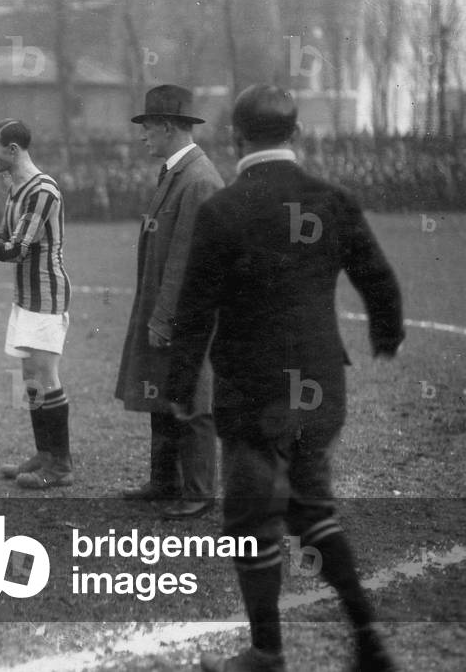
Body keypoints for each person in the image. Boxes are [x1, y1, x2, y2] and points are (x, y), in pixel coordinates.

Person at [165, 85, 403, 672]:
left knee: (252, 523)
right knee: (312, 509)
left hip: (253, 389)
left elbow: (193, 310)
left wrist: (179, 386)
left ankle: (268, 652)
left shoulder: (222, 209)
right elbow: (379, 280)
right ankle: (369, 640)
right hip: (319, 383)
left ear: (236, 138)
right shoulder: (333, 199)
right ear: (296, 134)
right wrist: (386, 335)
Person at [114, 85, 223, 519]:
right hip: (166, 306)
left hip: (186, 314)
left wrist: (164, 318)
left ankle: (198, 492)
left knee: (192, 398)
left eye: (147, 127)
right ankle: (165, 481)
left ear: (167, 127)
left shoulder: (198, 180)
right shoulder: (177, 173)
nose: (142, 135)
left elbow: (186, 261)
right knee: (161, 390)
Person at [0, 119, 73, 489]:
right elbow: (4, 238)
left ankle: (60, 466)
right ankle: (44, 454)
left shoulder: (42, 189)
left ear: (13, 150)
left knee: (44, 376)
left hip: (45, 293)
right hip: (26, 295)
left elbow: (16, 249)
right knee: (31, 379)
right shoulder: (16, 188)